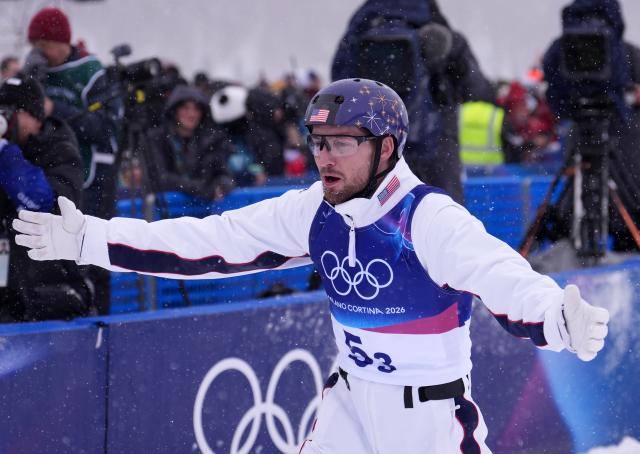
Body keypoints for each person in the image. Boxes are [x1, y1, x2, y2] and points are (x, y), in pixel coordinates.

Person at [12, 79, 609, 453]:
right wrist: (91, 238)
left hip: (427, 421)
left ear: (385, 147)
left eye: (341, 142)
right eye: (318, 142)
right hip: (348, 404)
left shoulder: (426, 220)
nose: (324, 156)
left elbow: (500, 275)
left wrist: (558, 318)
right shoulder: (314, 210)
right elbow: (212, 242)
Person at [24, 7, 123, 314]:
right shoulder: (35, 73)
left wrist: (57, 109)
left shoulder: (90, 71)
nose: (39, 53)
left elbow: (108, 127)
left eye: (43, 46)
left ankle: (99, 321)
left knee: (94, 256)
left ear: (60, 42)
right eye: (34, 47)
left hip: (92, 181)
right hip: (51, 178)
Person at [0, 75, 93, 321]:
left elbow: (46, 205)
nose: (6, 121)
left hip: (52, 291)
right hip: (7, 293)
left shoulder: (60, 149)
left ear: (33, 115)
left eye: (11, 112)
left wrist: (7, 156)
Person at [145, 85, 234, 200]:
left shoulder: (211, 140)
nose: (192, 114)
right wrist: (201, 189)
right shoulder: (157, 138)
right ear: (174, 111)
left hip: (203, 213)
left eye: (197, 109)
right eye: (185, 108)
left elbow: (225, 174)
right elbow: (160, 178)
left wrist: (222, 185)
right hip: (167, 212)